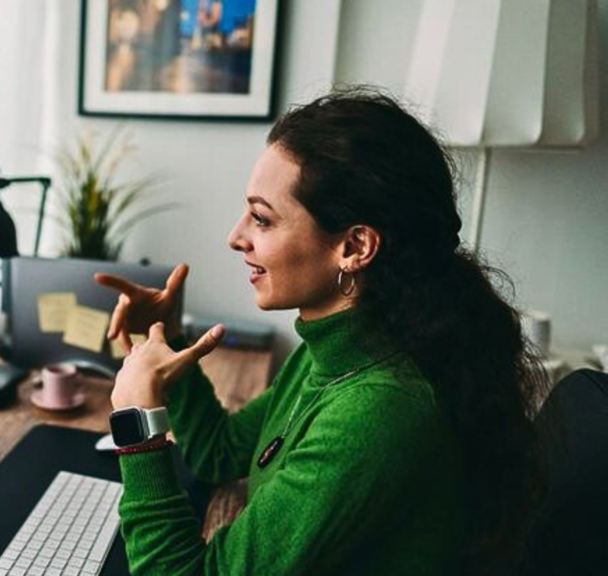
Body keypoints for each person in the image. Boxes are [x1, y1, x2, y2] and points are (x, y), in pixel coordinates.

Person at [97, 89, 547, 575]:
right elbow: (221, 453)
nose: (236, 237)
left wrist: (138, 423)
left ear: (354, 246)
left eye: (262, 218)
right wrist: (167, 344)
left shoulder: (378, 413)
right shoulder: (337, 351)